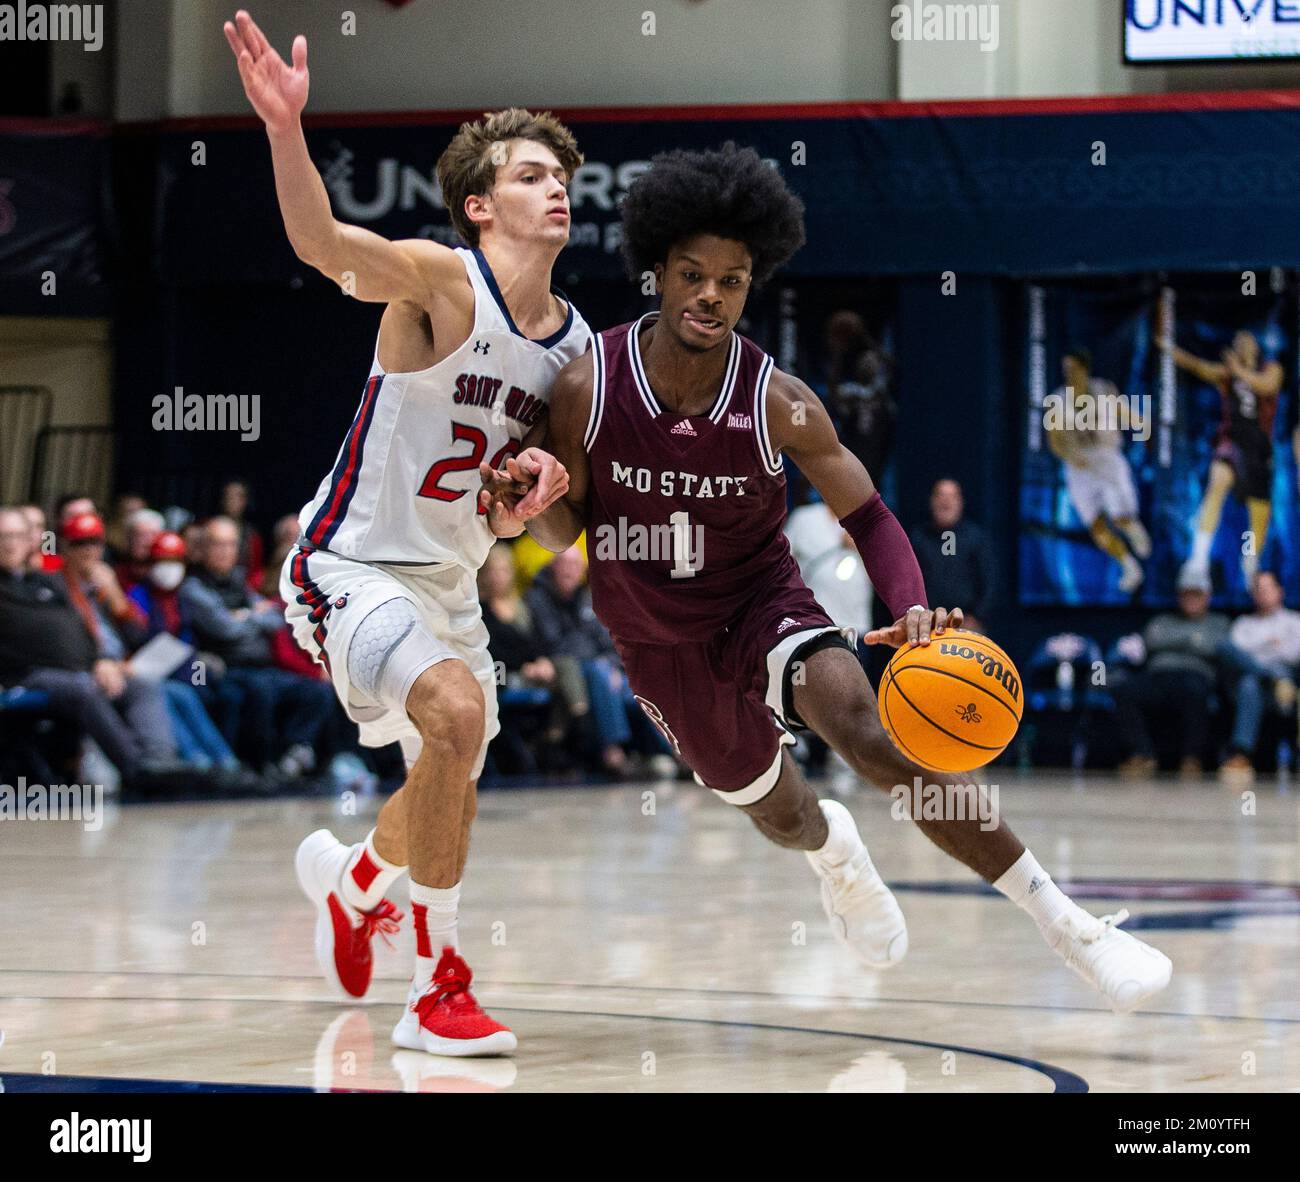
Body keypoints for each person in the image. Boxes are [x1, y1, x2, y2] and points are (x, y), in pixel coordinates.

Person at [484, 142, 1172, 1013]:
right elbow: (563, 524)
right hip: (657, 640)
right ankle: (835, 856)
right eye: (693, 274)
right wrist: (535, 499)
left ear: (750, 286)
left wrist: (914, 606)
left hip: (762, 604)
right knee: (782, 814)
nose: (710, 296)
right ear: (657, 273)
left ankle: (1071, 927)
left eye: (731, 281)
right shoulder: (588, 386)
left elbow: (871, 516)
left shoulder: (780, 401)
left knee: (874, 732)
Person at [224, 8, 588, 1056]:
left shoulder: (577, 354)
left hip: (449, 587)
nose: (553, 185)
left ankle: (354, 883)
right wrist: (287, 131)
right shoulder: (440, 281)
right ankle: (436, 987)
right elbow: (323, 245)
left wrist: (539, 492)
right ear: (478, 206)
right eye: (527, 175)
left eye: (559, 173)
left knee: (447, 772)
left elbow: (561, 533)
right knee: (458, 719)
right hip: (348, 562)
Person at [1159, 329, 1283, 590]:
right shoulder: (1228, 375)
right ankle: (1199, 558)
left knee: (1257, 510)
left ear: (1255, 347)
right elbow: (1196, 366)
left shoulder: (1270, 369)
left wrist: (1237, 369)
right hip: (1231, 442)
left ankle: (1250, 559)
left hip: (1258, 448)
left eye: (1246, 341)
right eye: (1237, 342)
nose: (1241, 345)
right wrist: (1168, 349)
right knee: (1217, 484)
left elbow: (1266, 386)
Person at [1044, 349, 1150, 594]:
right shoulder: (1057, 400)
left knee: (1120, 517)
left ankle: (1134, 529)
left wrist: (1142, 426)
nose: (1068, 374)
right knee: (1097, 527)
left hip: (1107, 459)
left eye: (1072, 369)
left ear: (1084, 369)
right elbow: (1055, 442)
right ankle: (1129, 565)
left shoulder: (1103, 390)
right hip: (1079, 468)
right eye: (1065, 370)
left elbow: (1127, 415)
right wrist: (1070, 456)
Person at [1113, 564, 1231, 779]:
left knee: (1193, 691)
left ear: (1207, 596)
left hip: (1195, 677)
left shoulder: (1218, 622)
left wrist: (1174, 642)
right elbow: (1152, 639)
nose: (1191, 599)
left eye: (1196, 594)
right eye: (1186, 594)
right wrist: (1191, 640)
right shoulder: (1162, 620)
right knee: (1124, 688)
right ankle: (1142, 754)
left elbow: (1213, 646)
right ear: (1178, 595)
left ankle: (1191, 759)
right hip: (1158, 676)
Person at [1219, 570, 1300, 781]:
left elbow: (1294, 654)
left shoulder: (1294, 622)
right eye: (1258, 589)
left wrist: (1259, 649)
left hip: (1288, 688)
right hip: (1256, 689)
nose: (1262, 594)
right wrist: (1272, 646)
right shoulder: (1243, 624)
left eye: (1267, 589)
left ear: (1279, 592)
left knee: (1263, 677)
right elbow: (1234, 654)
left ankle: (1241, 753)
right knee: (1248, 681)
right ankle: (1241, 756)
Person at [907, 479, 995, 634]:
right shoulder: (918, 538)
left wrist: (976, 617)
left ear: (960, 502)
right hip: (927, 625)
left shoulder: (976, 537)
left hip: (967, 625)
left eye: (952, 496)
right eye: (940, 495)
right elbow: (907, 582)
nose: (946, 501)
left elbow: (990, 582)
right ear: (931, 501)